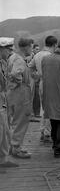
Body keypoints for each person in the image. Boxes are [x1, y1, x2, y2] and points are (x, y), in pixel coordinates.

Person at [7, 38, 33, 159]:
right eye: (31, 47)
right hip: (21, 93)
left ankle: (13, 146)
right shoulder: (19, 60)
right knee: (21, 121)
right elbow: (15, 74)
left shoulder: (13, 57)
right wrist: (20, 82)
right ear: (26, 47)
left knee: (14, 120)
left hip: (13, 93)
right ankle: (16, 148)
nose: (32, 50)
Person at [28, 35, 57, 142]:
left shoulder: (37, 55)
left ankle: (43, 131)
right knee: (51, 109)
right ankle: (47, 133)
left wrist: (36, 77)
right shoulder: (52, 56)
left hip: (41, 83)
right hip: (51, 84)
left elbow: (30, 67)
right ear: (54, 45)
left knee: (44, 109)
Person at [0, 37, 18, 167]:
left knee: (5, 130)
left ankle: (3, 158)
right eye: (8, 49)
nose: (10, 52)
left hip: (3, 98)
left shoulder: (3, 63)